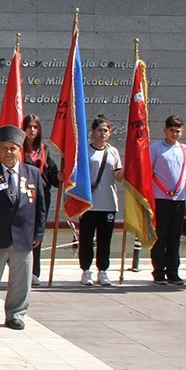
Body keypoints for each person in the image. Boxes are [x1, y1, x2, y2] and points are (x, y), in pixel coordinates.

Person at [0, 125, 48, 330]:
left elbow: (41, 206)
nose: (8, 152)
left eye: (13, 148)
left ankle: (16, 314)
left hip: (24, 237)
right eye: (4, 148)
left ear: (20, 150)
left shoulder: (32, 173)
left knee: (21, 280)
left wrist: (39, 232)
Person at [149, 115, 186, 285]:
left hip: (179, 200)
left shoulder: (185, 149)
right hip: (160, 199)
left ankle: (173, 271)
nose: (175, 134)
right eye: (172, 130)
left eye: (178, 131)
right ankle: (159, 271)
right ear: (165, 130)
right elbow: (147, 172)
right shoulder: (155, 149)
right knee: (160, 237)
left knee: (174, 237)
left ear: (182, 131)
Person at [77, 114, 125, 287]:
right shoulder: (85, 151)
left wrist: (130, 167)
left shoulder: (113, 152)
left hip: (108, 203)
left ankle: (103, 270)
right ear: (93, 132)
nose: (102, 134)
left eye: (105, 130)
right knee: (86, 239)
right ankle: (86, 270)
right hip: (89, 204)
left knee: (105, 239)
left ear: (110, 133)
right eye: (99, 130)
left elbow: (118, 176)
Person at [21, 114, 61, 285]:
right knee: (22, 231)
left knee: (37, 233)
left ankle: (34, 271)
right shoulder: (18, 149)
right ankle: (20, 269)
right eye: (29, 126)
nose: (32, 130)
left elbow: (52, 176)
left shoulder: (44, 150)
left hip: (41, 197)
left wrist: (59, 176)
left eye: (35, 127)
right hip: (22, 195)